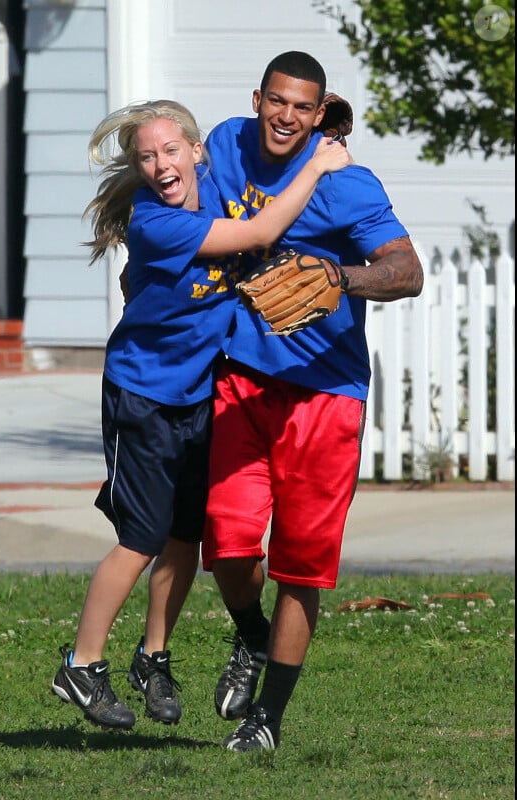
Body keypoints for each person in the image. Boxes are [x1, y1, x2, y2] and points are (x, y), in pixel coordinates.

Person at [50, 98, 354, 730]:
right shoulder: (158, 222)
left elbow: (256, 202)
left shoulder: (213, 191)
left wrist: (316, 136)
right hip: (142, 395)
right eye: (145, 156)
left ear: (195, 152)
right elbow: (259, 234)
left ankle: (153, 655)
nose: (159, 165)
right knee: (139, 538)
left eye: (169, 150)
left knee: (187, 536)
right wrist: (319, 165)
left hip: (197, 394)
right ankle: (81, 665)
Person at [200, 51, 424, 751]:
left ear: (319, 113)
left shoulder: (347, 185)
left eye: (302, 107)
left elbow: (407, 271)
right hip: (241, 377)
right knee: (230, 544)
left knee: (301, 561)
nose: (286, 116)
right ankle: (251, 636)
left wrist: (340, 275)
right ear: (258, 97)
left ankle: (267, 719)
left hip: (326, 393)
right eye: (277, 101)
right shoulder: (226, 145)